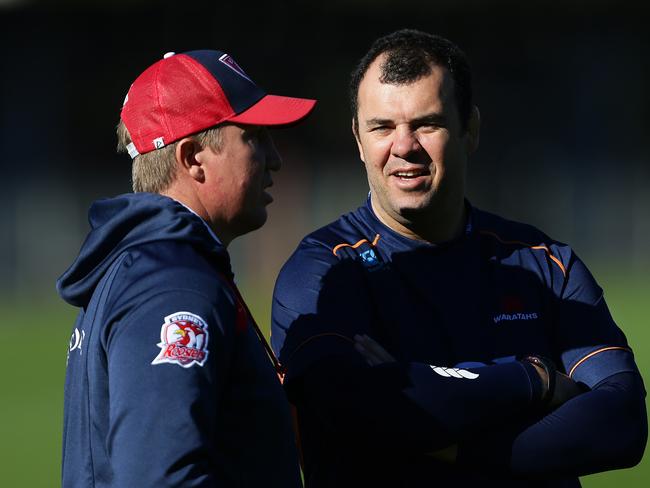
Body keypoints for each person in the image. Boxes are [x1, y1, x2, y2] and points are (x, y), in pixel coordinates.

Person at [271, 29, 646, 487]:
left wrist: (449, 440)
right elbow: (353, 408)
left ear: (470, 130)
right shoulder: (324, 273)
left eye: (427, 124)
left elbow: (622, 422)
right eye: (382, 127)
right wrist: (534, 381)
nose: (404, 146)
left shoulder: (545, 265)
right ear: (357, 138)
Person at [57, 49, 315, 487]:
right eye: (254, 137)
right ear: (194, 157)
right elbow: (159, 479)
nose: (275, 159)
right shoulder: (172, 285)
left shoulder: (156, 266)